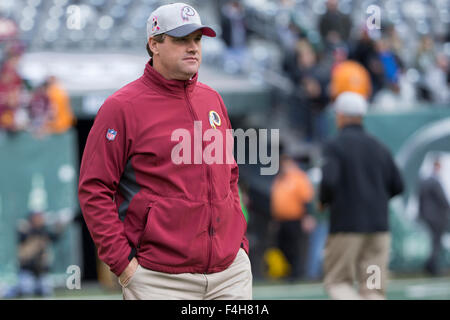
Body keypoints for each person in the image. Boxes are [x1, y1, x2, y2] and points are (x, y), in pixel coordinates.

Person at [78, 3, 251, 300]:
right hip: (160, 278)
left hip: (229, 273)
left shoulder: (213, 100)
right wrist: (123, 264)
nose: (193, 48)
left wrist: (239, 245)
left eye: (197, 39)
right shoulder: (122, 107)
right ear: (154, 44)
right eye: (182, 40)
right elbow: (94, 189)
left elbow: (229, 177)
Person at [319, 91, 404, 300]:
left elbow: (329, 181)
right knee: (373, 288)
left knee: (339, 282)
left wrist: (323, 201)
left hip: (346, 228)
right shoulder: (380, 147)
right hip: (378, 230)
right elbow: (398, 185)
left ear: (340, 115)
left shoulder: (335, 146)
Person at [270, 152, 315, 281]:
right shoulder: (279, 179)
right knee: (282, 247)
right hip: (282, 220)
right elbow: (276, 200)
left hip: (295, 218)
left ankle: (297, 273)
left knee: (295, 247)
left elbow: (306, 199)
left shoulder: (298, 177)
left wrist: (307, 217)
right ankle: (288, 272)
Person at [3, 211, 63, 298]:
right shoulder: (26, 230)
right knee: (27, 290)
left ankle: (12, 289)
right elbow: (22, 230)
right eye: (37, 218)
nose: (40, 220)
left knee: (46, 290)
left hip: (41, 272)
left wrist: (59, 225)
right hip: (27, 272)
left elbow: (56, 237)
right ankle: (9, 290)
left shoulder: (44, 232)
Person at [418, 158, 450, 276]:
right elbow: (442, 200)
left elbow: (420, 199)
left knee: (434, 242)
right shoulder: (435, 182)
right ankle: (431, 267)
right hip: (437, 217)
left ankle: (430, 265)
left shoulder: (424, 180)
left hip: (428, 216)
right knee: (436, 242)